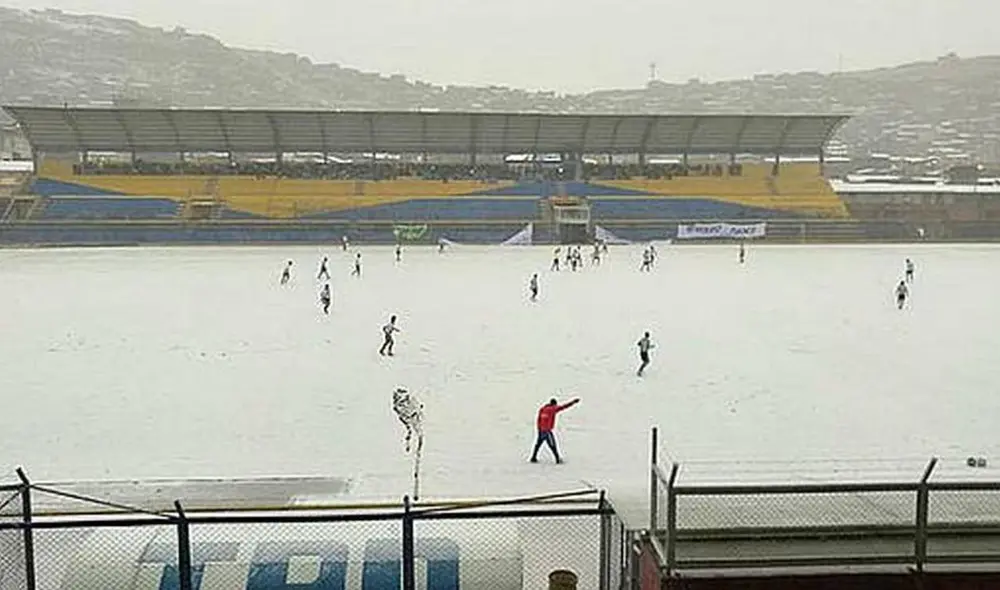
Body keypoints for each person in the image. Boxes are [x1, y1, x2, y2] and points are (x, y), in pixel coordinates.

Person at [530, 397, 580, 464]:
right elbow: (564, 407)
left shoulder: (542, 409)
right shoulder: (553, 409)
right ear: (554, 404)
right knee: (553, 445)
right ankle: (557, 459)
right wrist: (573, 402)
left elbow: (538, 420)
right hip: (547, 431)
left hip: (541, 430)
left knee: (538, 444)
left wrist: (539, 429)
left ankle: (533, 457)